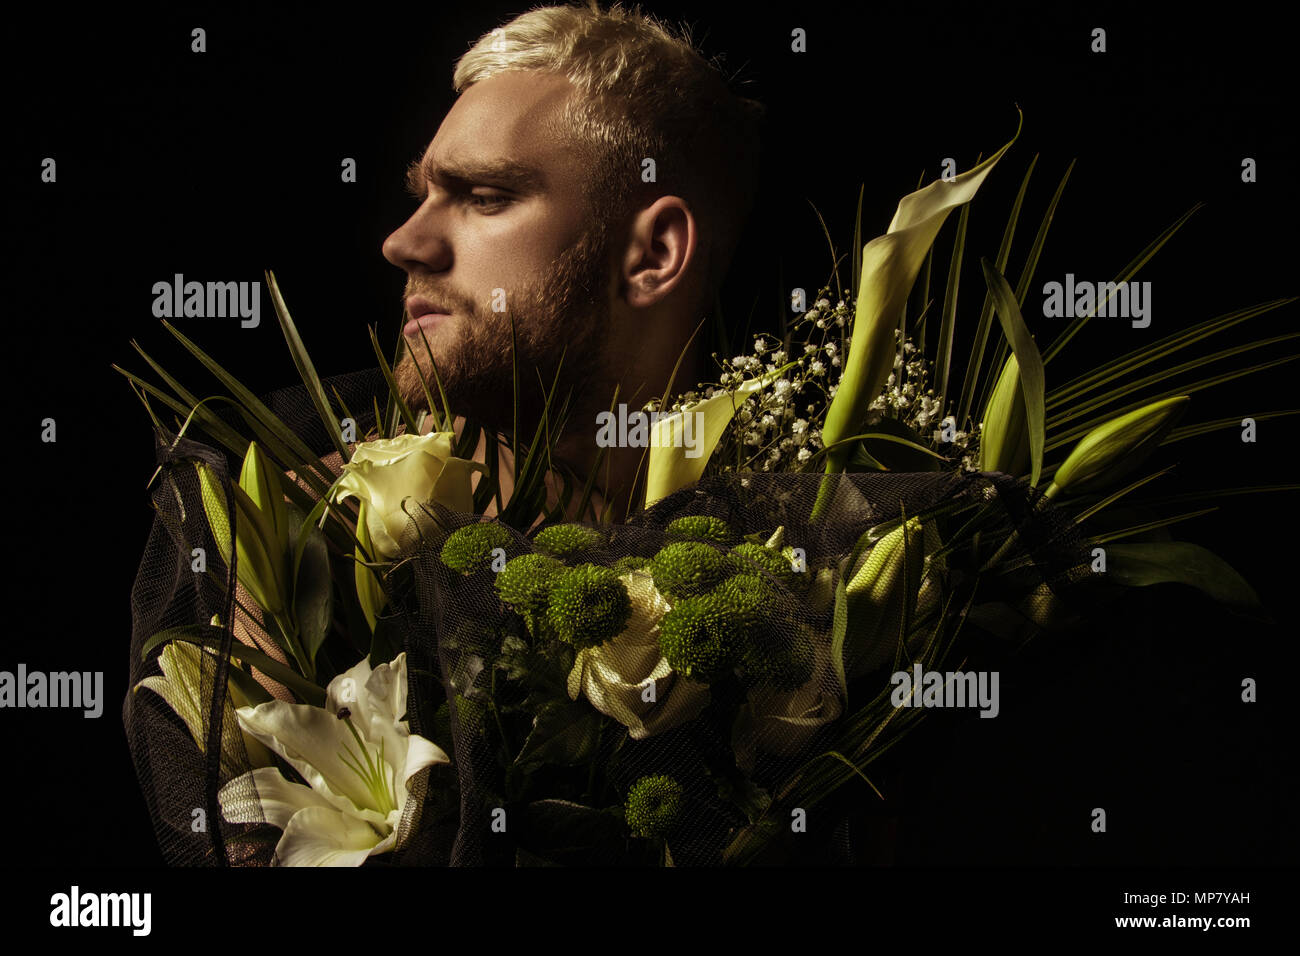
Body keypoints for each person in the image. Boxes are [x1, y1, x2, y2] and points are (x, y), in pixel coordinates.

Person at [382, 1, 765, 522]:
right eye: (421, 198)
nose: (402, 244)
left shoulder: (835, 557)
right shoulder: (298, 539)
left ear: (654, 253)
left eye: (485, 196)